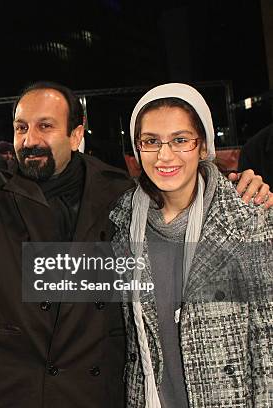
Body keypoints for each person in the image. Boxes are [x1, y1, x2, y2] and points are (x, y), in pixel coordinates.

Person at [0, 58, 271, 407]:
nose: (30, 139)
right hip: (5, 390)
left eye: (46, 127)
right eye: (21, 127)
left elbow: (182, 202)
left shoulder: (120, 196)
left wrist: (238, 191)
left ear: (77, 134)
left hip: (88, 391)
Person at [110, 83, 272, 407]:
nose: (164, 155)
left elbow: (268, 346)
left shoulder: (249, 218)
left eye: (181, 140)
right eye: (151, 141)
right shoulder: (122, 225)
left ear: (202, 147)